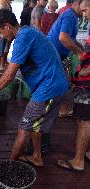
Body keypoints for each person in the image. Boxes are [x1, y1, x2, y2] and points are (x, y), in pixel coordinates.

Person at [0, 9, 68, 167]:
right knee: (37, 124)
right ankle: (37, 157)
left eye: (0, 31)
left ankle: (10, 165)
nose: (1, 36)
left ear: (7, 26)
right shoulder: (28, 31)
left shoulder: (23, 37)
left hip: (49, 88)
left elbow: (9, 75)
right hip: (56, 84)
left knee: (24, 126)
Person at [57, 0, 90, 172]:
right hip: (84, 78)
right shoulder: (72, 16)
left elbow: (63, 37)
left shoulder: (70, 16)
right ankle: (88, 152)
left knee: (84, 121)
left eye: (86, 10)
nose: (84, 14)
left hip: (87, 83)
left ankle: (78, 161)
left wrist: (87, 68)